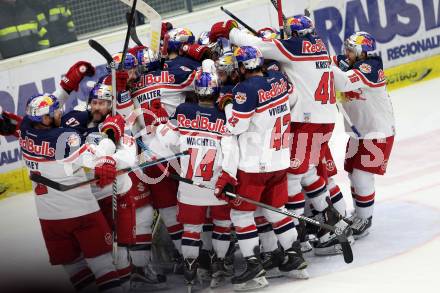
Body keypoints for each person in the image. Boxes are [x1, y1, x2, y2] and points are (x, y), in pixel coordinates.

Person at [209, 15, 352, 256]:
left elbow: (258, 47)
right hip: (325, 118)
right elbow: (342, 81)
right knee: (308, 173)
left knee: (294, 179)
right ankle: (334, 226)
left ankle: (311, 235)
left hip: (307, 122)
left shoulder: (295, 47)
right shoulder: (318, 45)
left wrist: (231, 31)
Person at [214, 46, 308, 291]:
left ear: (243, 67)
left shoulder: (245, 90)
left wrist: (226, 104)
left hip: (255, 165)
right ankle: (294, 257)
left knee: (241, 215)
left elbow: (236, 127)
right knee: (277, 209)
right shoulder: (278, 79)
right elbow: (295, 99)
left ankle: (253, 265)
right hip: (279, 160)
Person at [19, 93, 124, 292]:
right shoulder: (64, 138)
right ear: (45, 119)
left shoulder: (25, 131)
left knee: (75, 268)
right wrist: (112, 130)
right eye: (55, 111)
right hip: (81, 212)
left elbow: (27, 116)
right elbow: (99, 155)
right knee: (103, 265)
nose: (61, 112)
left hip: (49, 218)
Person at [154, 63, 233, 290]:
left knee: (191, 229)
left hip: (189, 186)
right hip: (216, 183)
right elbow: (232, 150)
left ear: (196, 90)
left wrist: (160, 125)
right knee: (222, 224)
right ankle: (219, 264)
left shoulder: (183, 111)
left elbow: (167, 140)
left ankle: (191, 270)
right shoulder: (223, 116)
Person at [331, 31, 395, 239]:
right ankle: (359, 213)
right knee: (352, 173)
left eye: (350, 50)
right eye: (346, 49)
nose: (345, 53)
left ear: (361, 52)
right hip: (359, 131)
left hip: (377, 131)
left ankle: (365, 218)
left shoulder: (371, 67)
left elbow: (344, 83)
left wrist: (324, 67)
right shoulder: (348, 61)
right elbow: (328, 62)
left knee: (362, 175)